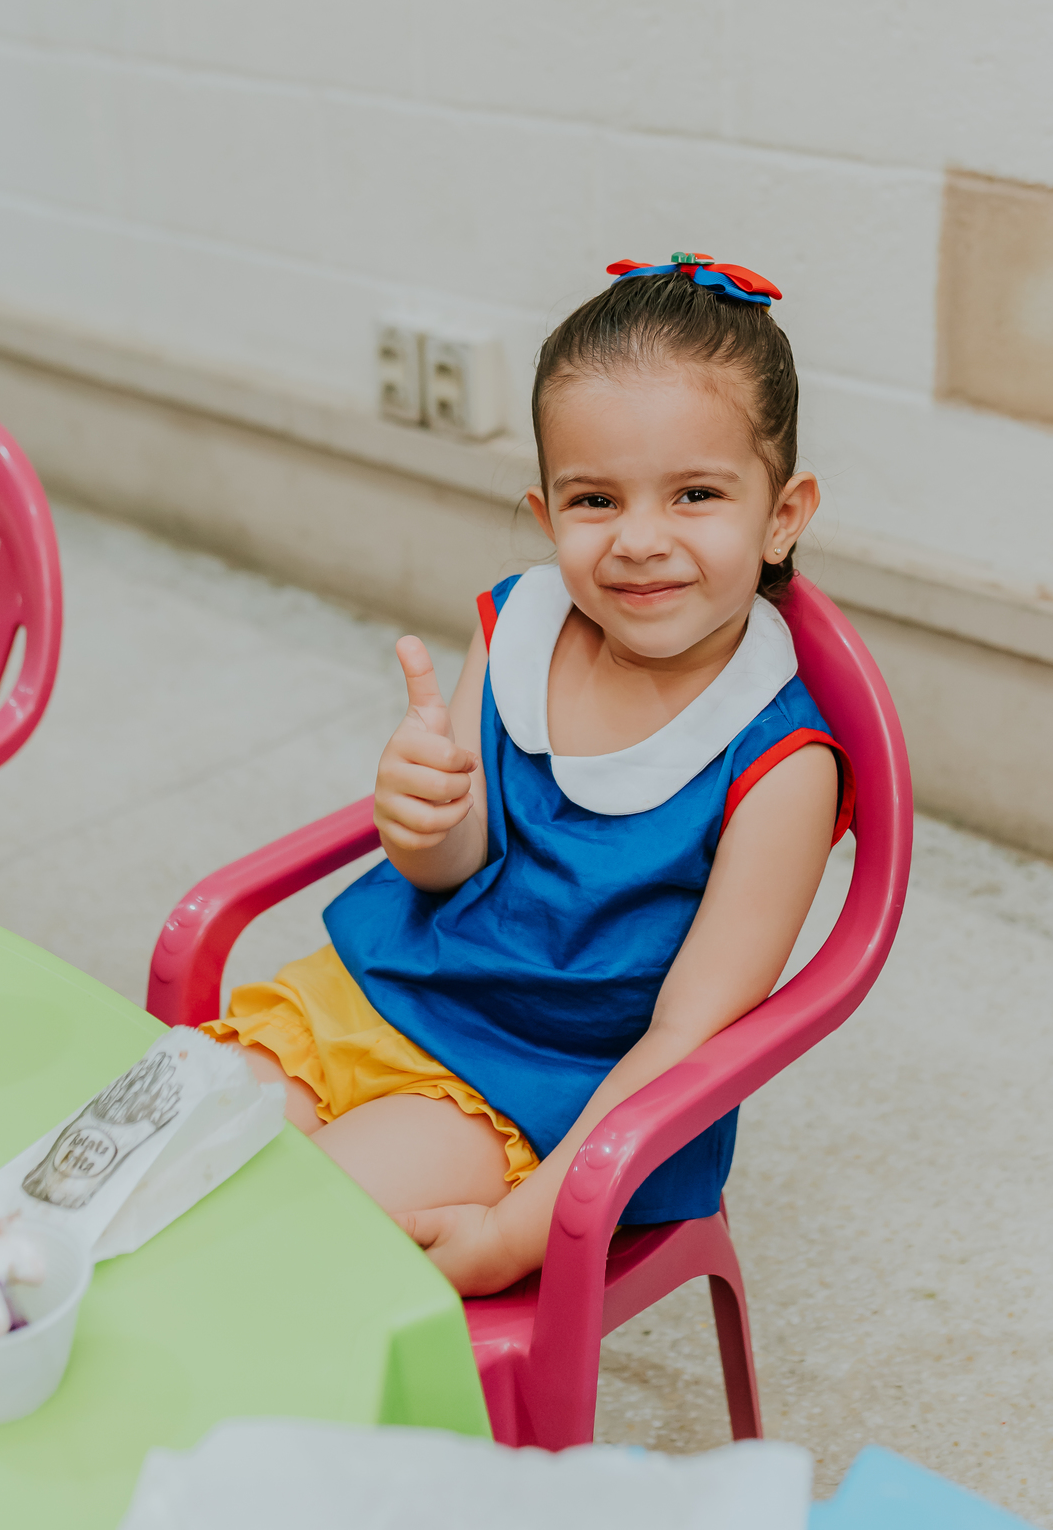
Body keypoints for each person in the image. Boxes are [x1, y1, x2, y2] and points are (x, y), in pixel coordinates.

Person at [203, 256, 854, 1297]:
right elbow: (449, 866)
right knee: (153, 1151)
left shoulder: (780, 765)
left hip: (535, 1088)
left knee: (282, 1250)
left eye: (695, 493)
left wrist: (518, 1233)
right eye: (596, 498)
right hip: (375, 991)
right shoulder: (521, 623)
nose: (641, 540)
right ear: (546, 512)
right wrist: (422, 813)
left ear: (782, 514)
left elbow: (688, 1041)